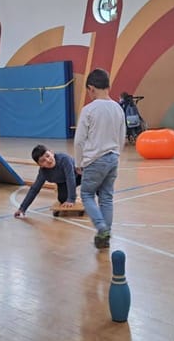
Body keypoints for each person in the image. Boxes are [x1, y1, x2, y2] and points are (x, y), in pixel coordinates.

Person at [74, 68, 126, 249]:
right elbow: (122, 137)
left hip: (95, 160)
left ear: (91, 88)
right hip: (113, 158)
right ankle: (106, 235)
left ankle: (102, 227)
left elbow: (79, 140)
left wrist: (79, 163)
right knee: (106, 197)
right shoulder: (118, 108)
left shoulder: (89, 110)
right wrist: (117, 154)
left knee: (87, 194)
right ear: (108, 86)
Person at [14, 144, 81, 217]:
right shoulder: (43, 173)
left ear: (52, 152)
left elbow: (70, 178)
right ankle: (73, 195)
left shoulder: (64, 159)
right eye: (43, 161)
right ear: (40, 165)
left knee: (90, 187)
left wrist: (71, 199)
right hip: (63, 181)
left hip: (80, 174)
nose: (48, 160)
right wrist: (22, 208)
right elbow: (34, 189)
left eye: (48, 156)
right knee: (63, 199)